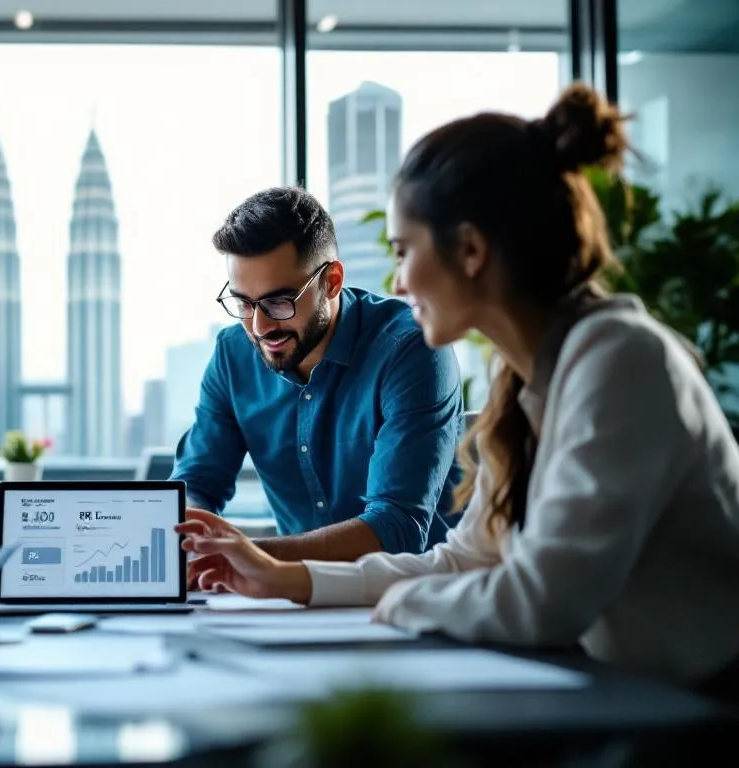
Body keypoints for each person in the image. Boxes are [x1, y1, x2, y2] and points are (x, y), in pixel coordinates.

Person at [179, 84, 739, 697]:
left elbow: (540, 601)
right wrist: (282, 578)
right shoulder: (527, 381)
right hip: (624, 695)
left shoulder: (621, 360)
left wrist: (398, 605)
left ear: (470, 250)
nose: (398, 280)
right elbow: (463, 561)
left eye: (403, 251)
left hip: (700, 708)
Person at [171, 186, 465, 564]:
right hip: (293, 589)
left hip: (414, 586)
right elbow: (197, 482)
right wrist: (188, 529)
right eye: (243, 303)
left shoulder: (410, 349)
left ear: (332, 282)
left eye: (279, 302)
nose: (259, 327)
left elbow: (397, 527)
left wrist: (248, 557)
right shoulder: (233, 355)